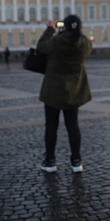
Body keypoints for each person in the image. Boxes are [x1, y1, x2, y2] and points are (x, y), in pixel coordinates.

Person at [37, 15, 92, 173]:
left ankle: (50, 161)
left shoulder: (57, 41)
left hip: (53, 92)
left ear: (64, 26)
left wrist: (50, 29)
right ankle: (76, 161)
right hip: (73, 93)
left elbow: (40, 46)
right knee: (73, 126)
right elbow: (86, 41)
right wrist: (75, 30)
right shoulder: (84, 44)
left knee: (51, 127)